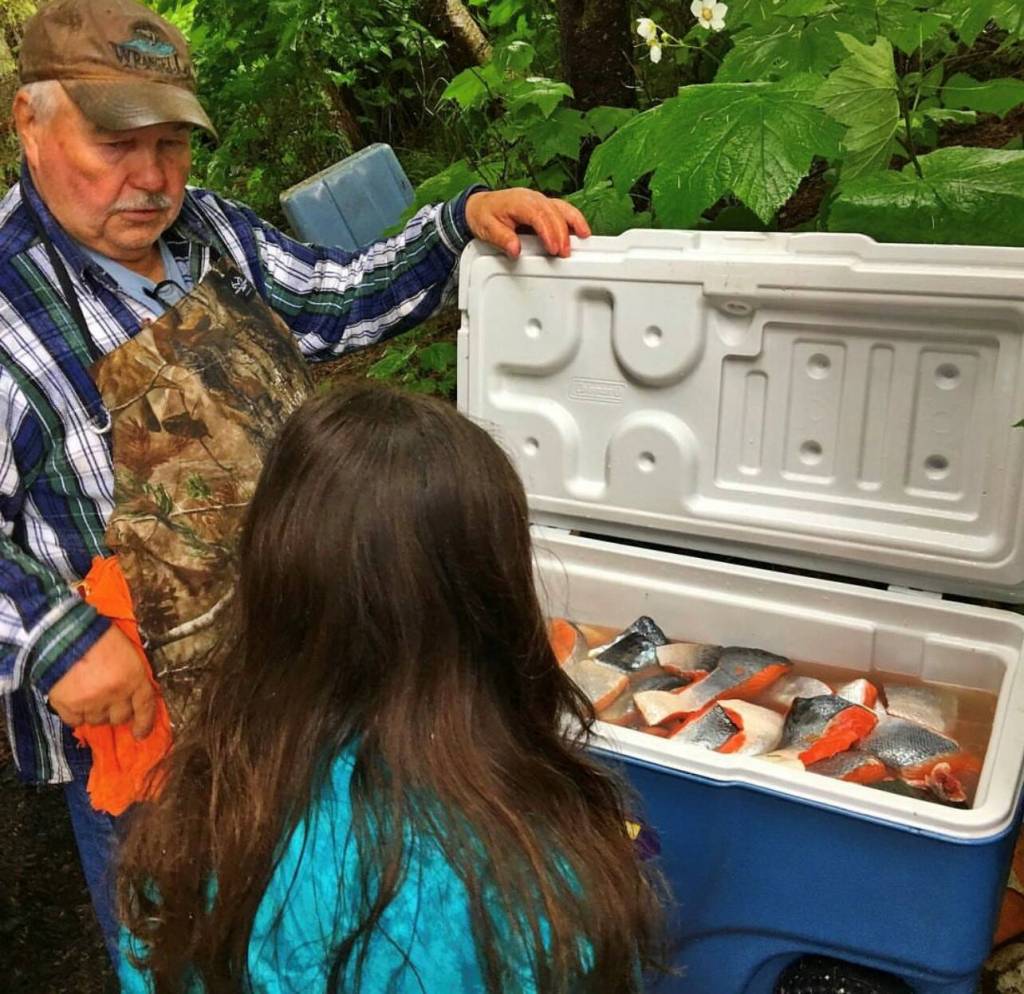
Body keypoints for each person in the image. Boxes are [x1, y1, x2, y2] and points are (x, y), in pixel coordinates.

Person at [0, 0, 591, 967]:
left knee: (314, 936)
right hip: (150, 743)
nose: (152, 180)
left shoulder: (211, 233)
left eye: (172, 145)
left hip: (301, 685)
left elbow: (332, 297)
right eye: (116, 144)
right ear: (30, 119)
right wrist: (57, 639)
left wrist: (456, 228)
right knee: (189, 949)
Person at [116, 382, 665, 994]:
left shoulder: (206, 807)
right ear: (494, 597)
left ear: (272, 582)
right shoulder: (538, 864)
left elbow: (151, 958)